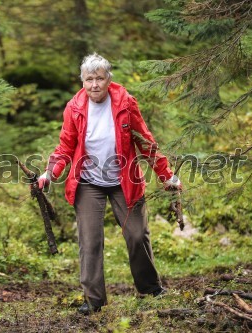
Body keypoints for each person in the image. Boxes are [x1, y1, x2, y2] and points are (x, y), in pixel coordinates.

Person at [38, 53, 182, 315]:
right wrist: (50, 173)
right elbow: (65, 146)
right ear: (82, 81)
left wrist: (166, 174)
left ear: (108, 80)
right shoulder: (75, 107)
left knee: (137, 235)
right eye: (89, 79)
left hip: (124, 179)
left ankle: (150, 288)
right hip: (89, 182)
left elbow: (144, 141)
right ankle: (93, 299)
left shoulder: (126, 103)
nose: (94, 84)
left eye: (100, 78)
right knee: (90, 241)